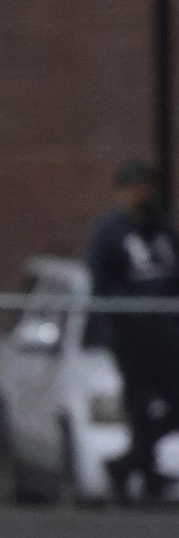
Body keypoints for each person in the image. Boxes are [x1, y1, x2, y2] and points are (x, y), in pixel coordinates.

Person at [86, 160, 179, 502]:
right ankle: (146, 473)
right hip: (132, 336)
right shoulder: (109, 232)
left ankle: (130, 464)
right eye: (136, 186)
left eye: (147, 185)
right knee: (138, 405)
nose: (143, 193)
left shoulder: (161, 230)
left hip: (167, 332)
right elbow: (100, 282)